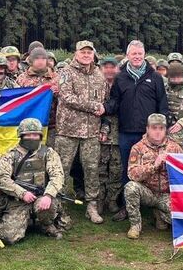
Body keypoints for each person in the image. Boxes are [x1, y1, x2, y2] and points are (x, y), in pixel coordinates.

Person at [104, 40, 169, 220]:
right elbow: (114, 101)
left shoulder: (155, 77)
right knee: (129, 169)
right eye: (134, 54)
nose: (137, 57)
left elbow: (162, 105)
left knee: (155, 168)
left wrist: (162, 131)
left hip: (149, 135)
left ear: (144, 55)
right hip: (126, 132)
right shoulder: (120, 77)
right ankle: (128, 206)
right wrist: (104, 108)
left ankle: (155, 206)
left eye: (140, 54)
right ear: (128, 55)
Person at [56, 40, 107, 224]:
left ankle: (92, 206)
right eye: (83, 52)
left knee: (92, 170)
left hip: (91, 131)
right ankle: (58, 206)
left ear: (93, 54)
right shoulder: (66, 72)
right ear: (76, 53)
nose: (86, 55)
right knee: (61, 169)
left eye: (89, 52)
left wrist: (104, 125)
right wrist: (93, 106)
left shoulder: (99, 75)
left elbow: (105, 102)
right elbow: (67, 97)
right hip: (68, 130)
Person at [0, 118, 70, 244]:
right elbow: (1, 178)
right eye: (28, 135)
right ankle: (26, 220)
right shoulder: (11, 155)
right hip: (19, 200)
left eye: (35, 135)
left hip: (42, 196)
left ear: (40, 136)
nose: (32, 138)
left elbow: (57, 176)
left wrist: (48, 195)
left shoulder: (48, 153)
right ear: (21, 135)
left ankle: (46, 224)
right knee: (8, 237)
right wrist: (22, 193)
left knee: (48, 205)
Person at [124, 113, 183, 239]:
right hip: (148, 192)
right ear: (147, 129)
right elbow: (132, 174)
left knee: (181, 219)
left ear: (165, 130)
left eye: (161, 128)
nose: (157, 132)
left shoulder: (175, 148)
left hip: (167, 195)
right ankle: (135, 226)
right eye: (154, 128)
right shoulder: (138, 148)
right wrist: (154, 165)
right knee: (131, 187)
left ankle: (160, 215)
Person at [17, 47, 59, 146]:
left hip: (51, 125)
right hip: (29, 126)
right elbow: (17, 100)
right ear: (31, 60)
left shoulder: (56, 78)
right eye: (37, 58)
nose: (40, 61)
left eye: (43, 58)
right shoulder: (22, 78)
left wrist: (56, 93)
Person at [98, 57, 122, 217]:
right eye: (105, 67)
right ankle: (99, 199)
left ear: (117, 69)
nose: (109, 70)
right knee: (100, 168)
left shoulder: (122, 85)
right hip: (100, 133)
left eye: (112, 67)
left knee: (116, 168)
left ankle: (112, 199)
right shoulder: (96, 85)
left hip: (118, 133)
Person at [164, 63, 183, 149]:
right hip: (165, 129)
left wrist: (181, 123)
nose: (176, 80)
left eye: (179, 77)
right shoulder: (164, 89)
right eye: (173, 77)